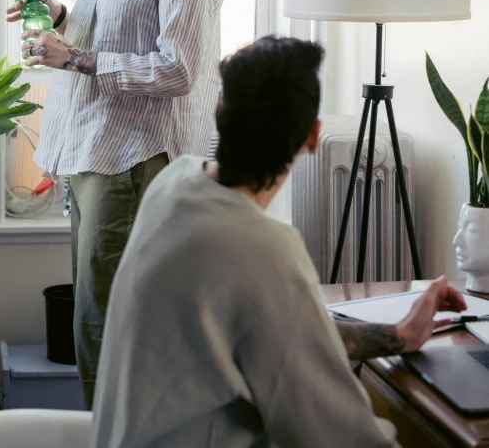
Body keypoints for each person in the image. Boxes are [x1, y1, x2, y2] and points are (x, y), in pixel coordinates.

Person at [90, 36, 466, 448]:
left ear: (218, 114)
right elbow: (337, 434)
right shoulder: (264, 251)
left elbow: (296, 338)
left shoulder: (172, 184)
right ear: (313, 135)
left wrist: (397, 336)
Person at [6, 0, 226, 409]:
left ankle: (120, 435)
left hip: (137, 163)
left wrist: (72, 59)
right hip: (96, 155)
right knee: (94, 318)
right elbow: (102, 35)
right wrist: (59, 18)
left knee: (109, 325)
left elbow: (179, 70)